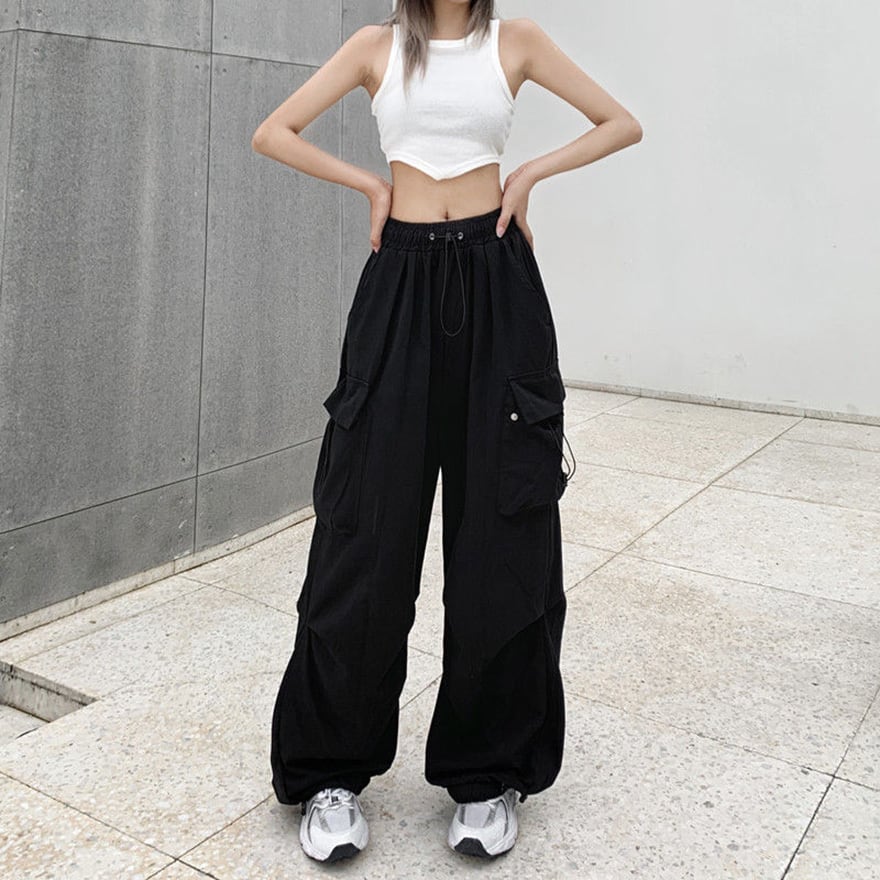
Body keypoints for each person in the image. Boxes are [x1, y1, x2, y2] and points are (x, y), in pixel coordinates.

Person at [251, 0, 642, 864]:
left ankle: (487, 774)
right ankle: (329, 775)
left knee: (502, 534)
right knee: (362, 534)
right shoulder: (374, 47)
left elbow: (621, 122)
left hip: (497, 282)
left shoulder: (517, 40)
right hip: (397, 285)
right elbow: (273, 132)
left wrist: (529, 174)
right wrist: (371, 186)